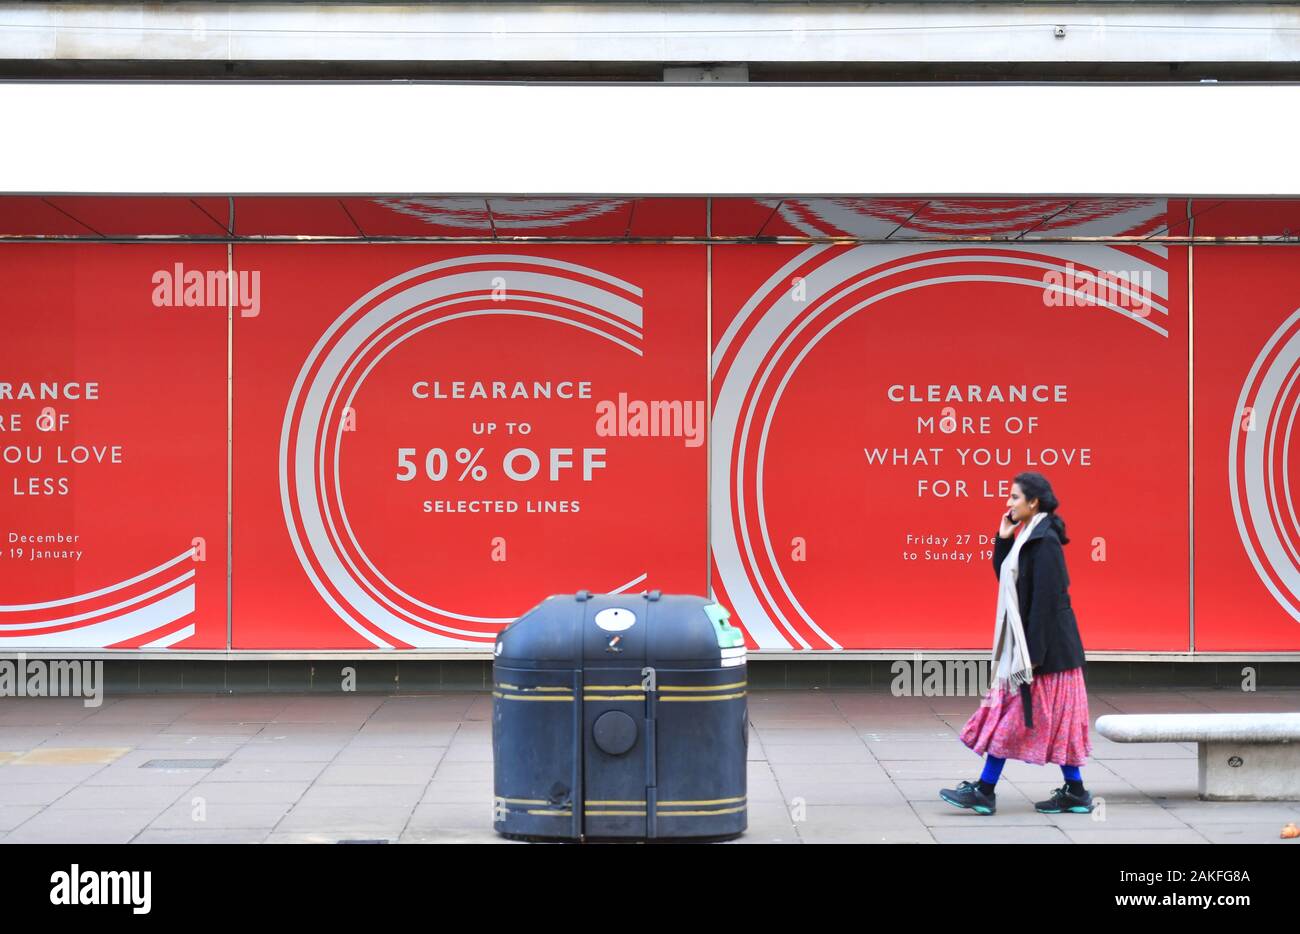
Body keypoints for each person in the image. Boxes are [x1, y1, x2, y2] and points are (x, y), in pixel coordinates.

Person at [939, 471, 1094, 816]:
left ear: (1033, 502)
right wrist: (1004, 539)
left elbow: (1046, 601)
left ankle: (985, 790)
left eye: (1014, 497)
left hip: (1046, 654)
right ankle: (1076, 791)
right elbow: (1010, 582)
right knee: (1041, 721)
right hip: (1037, 650)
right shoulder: (1028, 537)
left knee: (1011, 717)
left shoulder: (1045, 541)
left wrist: (1033, 656)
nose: (1008, 503)